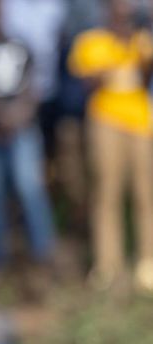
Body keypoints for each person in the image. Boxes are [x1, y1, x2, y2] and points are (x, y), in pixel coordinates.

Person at [69, 0, 153, 292]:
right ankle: (108, 265)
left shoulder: (142, 40)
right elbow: (87, 83)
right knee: (108, 192)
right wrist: (118, 53)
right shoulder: (91, 41)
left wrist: (137, 51)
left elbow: (145, 78)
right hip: (105, 120)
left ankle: (147, 262)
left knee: (145, 191)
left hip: (141, 122)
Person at [0, 0, 56, 267]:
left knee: (30, 189)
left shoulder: (21, 45)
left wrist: (15, 117)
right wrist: (0, 117)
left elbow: (32, 87)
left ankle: (44, 254)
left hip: (22, 129)